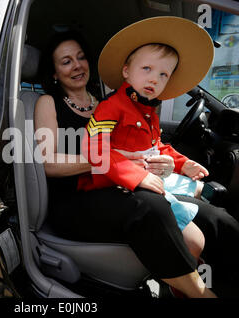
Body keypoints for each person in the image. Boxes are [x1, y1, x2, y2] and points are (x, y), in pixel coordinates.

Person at [34, 28, 216, 298]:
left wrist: (169, 164)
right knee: (150, 207)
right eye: (66, 61)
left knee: (208, 213)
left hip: (116, 184)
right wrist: (111, 161)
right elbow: (47, 162)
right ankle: (198, 293)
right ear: (53, 72)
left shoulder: (111, 101)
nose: (77, 66)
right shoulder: (48, 103)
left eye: (81, 57)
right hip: (74, 198)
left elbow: (144, 146)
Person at [78, 17, 214, 263]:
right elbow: (93, 148)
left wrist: (184, 164)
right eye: (147, 69)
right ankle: (181, 278)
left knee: (207, 193)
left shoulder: (147, 111)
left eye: (163, 74)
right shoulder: (112, 106)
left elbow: (156, 147)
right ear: (126, 71)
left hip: (146, 174)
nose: (154, 79)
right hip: (111, 184)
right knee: (195, 241)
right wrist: (136, 176)